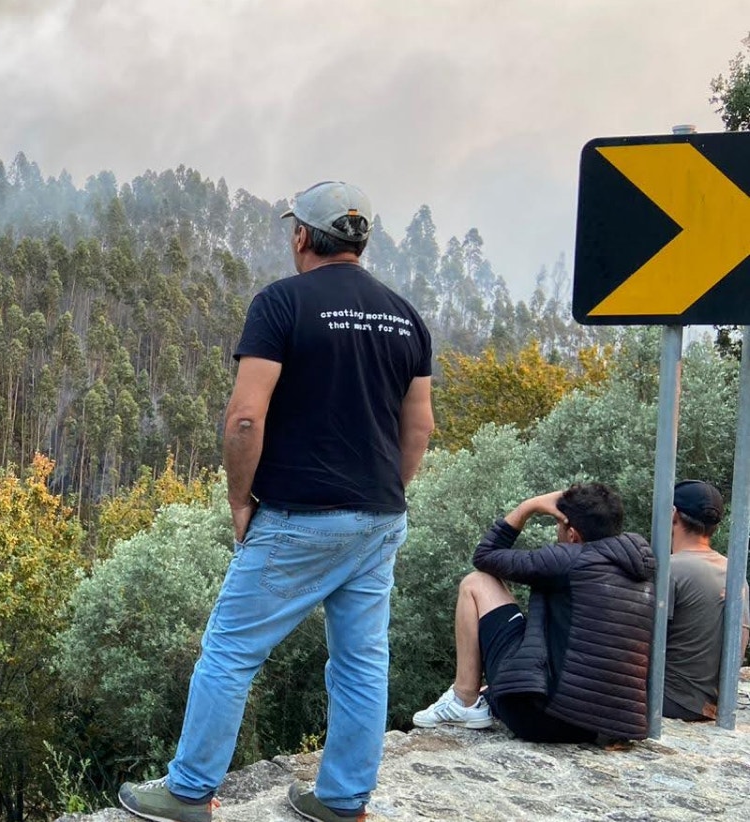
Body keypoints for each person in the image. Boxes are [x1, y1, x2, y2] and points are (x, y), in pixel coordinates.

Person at [118, 181, 434, 822]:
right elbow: (419, 427)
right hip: (379, 515)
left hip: (299, 516)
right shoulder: (406, 316)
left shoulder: (282, 303)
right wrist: (386, 496)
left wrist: (241, 501)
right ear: (361, 240)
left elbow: (243, 419)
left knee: (230, 652)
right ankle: (344, 801)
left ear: (301, 236)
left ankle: (188, 792)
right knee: (361, 662)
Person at [412, 484, 655, 743]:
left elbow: (485, 555)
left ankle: (464, 700)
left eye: (559, 527)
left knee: (476, 583)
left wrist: (528, 507)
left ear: (572, 534)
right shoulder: (642, 568)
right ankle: (485, 694)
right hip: (600, 726)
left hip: (540, 719)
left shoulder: (569, 559)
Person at [663, 479, 749, 722]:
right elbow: (740, 643)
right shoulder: (735, 574)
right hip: (713, 706)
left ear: (673, 514)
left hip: (668, 701)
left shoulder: (670, 570)